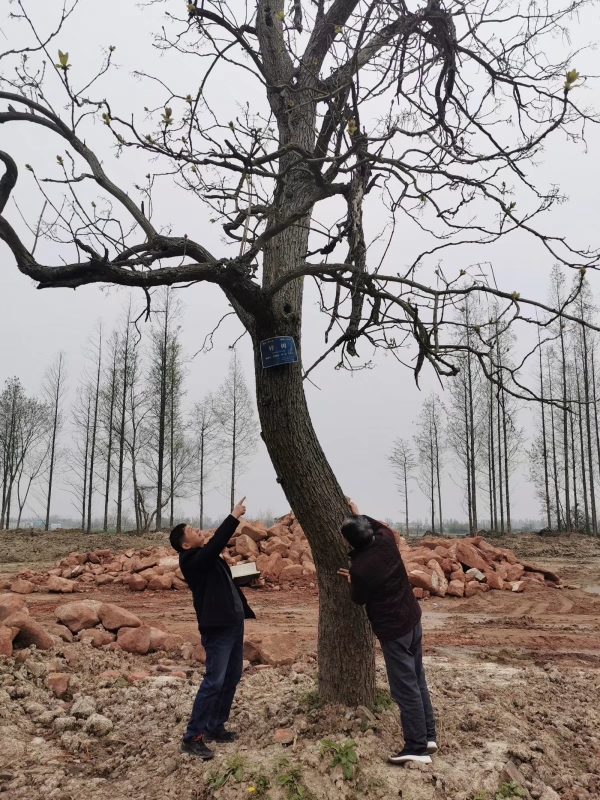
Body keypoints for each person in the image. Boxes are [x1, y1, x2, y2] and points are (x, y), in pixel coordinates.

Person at [337, 500, 437, 765]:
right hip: (412, 618)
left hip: (394, 630)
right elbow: (377, 524)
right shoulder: (386, 538)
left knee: (405, 688)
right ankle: (428, 736)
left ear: (351, 544)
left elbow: (358, 599)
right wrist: (358, 515)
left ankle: (417, 748)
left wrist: (351, 580)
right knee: (417, 679)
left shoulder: (360, 569)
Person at [170, 496, 255, 760]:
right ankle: (192, 736)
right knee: (214, 681)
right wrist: (234, 516)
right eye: (192, 531)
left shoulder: (206, 558)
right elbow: (216, 543)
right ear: (185, 545)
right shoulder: (191, 560)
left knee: (231, 677)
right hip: (218, 629)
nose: (197, 531)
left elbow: (220, 582)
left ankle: (214, 726)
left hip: (233, 624)